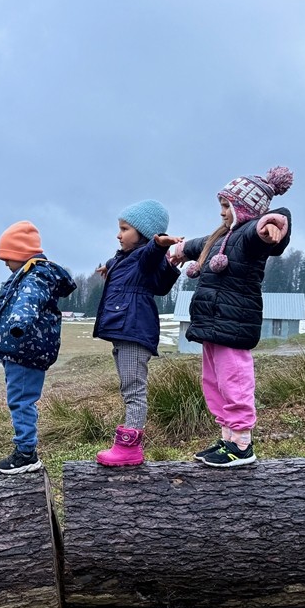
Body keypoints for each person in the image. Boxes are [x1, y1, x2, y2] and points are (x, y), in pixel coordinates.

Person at [167, 166, 294, 467]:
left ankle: (242, 444)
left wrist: (272, 223)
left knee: (234, 379)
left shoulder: (249, 236)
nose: (222, 213)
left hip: (233, 322)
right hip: (214, 324)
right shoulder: (224, 238)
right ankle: (227, 439)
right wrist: (181, 249)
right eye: (221, 206)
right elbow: (201, 245)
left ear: (244, 208)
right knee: (213, 381)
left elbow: (265, 227)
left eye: (227, 206)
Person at [92, 200, 182, 466]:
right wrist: (108, 267)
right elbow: (120, 261)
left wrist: (160, 243)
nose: (118, 235)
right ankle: (127, 445)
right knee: (128, 387)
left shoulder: (145, 257)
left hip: (134, 331)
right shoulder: (124, 258)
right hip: (125, 331)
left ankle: (129, 448)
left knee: (134, 391)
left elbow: (150, 254)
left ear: (143, 234)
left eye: (124, 229)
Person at [0, 220, 76, 474]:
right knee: (19, 399)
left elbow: (28, 302)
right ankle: (25, 449)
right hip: (21, 350)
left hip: (26, 350)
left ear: (22, 254)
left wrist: (18, 324)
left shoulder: (35, 276)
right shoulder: (29, 274)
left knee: (21, 400)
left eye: (8, 257)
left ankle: (26, 452)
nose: (5, 263)